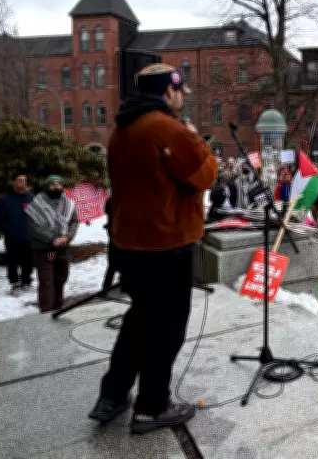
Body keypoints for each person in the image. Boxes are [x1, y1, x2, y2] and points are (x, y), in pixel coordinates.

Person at [89, 63, 217, 434]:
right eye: (180, 93)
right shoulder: (167, 128)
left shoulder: (121, 130)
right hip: (167, 244)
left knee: (139, 321)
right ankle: (152, 405)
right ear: (167, 91)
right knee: (167, 328)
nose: (182, 100)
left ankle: (112, 394)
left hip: (131, 244)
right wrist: (195, 138)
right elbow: (204, 174)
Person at [25, 175, 79, 312]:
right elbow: (33, 226)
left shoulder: (69, 204)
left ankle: (58, 307)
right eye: (52, 184)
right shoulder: (36, 204)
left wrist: (67, 237)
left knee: (61, 278)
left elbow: (74, 222)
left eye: (59, 184)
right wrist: (51, 239)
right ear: (47, 187)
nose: (56, 186)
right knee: (46, 282)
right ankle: (46, 311)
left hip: (63, 247)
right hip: (43, 249)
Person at [0, 171, 34, 294]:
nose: (23, 183)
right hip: (12, 237)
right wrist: (8, 231)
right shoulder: (4, 200)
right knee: (12, 261)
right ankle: (15, 283)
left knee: (29, 260)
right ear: (13, 182)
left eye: (24, 180)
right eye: (20, 180)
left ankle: (26, 281)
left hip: (29, 235)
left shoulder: (31, 197)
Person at [101, 197, 122, 290]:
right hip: (116, 236)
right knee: (113, 264)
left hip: (126, 237)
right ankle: (105, 288)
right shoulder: (112, 200)